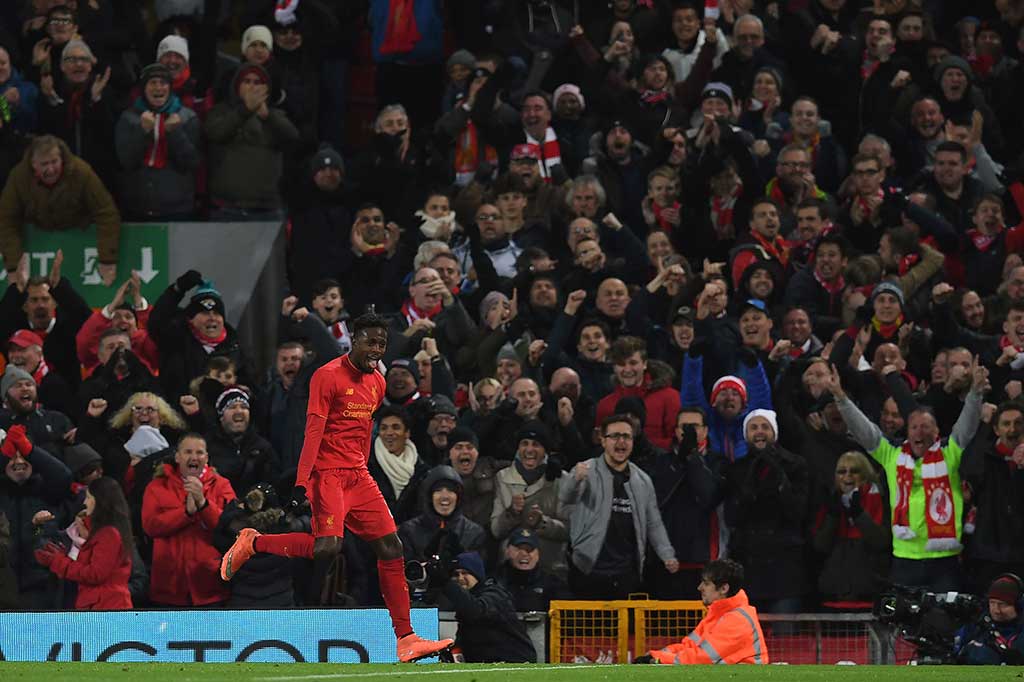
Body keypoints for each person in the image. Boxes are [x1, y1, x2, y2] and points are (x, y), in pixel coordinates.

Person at [218, 313, 454, 662]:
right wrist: (302, 482)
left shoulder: (377, 382)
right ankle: (253, 542)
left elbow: (364, 430)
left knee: (392, 547)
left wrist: (363, 469)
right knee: (327, 548)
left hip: (358, 475)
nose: (376, 350)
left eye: (382, 344)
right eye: (370, 342)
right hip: (327, 474)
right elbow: (313, 431)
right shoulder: (326, 376)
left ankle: (406, 639)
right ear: (354, 340)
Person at [826, 361, 986, 591]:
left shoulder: (949, 452)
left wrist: (976, 392)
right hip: (904, 560)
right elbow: (864, 430)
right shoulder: (892, 455)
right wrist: (840, 397)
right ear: (907, 432)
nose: (920, 431)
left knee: (943, 614)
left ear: (937, 431)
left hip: (944, 562)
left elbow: (967, 425)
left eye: (926, 426)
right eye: (914, 427)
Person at [559, 414, 678, 599]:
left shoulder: (642, 480)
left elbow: (653, 522)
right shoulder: (585, 471)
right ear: (603, 440)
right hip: (588, 571)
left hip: (626, 574)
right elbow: (564, 504)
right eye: (615, 436)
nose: (621, 441)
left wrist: (667, 554)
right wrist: (575, 481)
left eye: (626, 436)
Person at [0, 135, 120, 286]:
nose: (51, 169)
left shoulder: (81, 172)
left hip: (78, 232)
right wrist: (13, 267)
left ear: (61, 159)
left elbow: (106, 212)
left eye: (54, 162)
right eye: (44, 164)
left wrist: (107, 259)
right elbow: (6, 220)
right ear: (33, 164)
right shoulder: (19, 177)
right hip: (38, 236)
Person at [141, 433, 236, 606]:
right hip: (169, 588)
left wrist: (203, 504)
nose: (194, 457)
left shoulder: (222, 486)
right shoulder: (157, 487)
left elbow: (230, 527)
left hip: (211, 587)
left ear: (206, 458)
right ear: (177, 456)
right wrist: (185, 513)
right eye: (188, 452)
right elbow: (150, 526)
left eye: (199, 452)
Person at [635, 559, 769, 665]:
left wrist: (660, 658)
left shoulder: (737, 619)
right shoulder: (719, 613)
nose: (699, 588)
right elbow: (689, 646)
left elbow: (702, 658)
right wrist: (656, 654)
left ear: (724, 589)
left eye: (706, 583)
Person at [34, 476, 133, 609]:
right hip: (97, 605)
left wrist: (57, 561)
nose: (85, 502)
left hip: (106, 606)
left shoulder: (109, 534)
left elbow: (95, 574)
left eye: (88, 497)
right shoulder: (106, 532)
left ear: (100, 501)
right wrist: (60, 555)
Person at [436, 551, 537, 663]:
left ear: (477, 575)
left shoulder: (495, 594)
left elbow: (476, 611)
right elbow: (465, 636)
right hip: (487, 662)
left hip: (515, 661)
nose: (460, 578)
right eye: (456, 574)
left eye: (465, 573)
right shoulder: (465, 600)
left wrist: (445, 583)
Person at [953, 574, 1024, 665]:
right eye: (992, 603)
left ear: (1018, 606)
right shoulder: (975, 628)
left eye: (1003, 605)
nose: (996, 610)